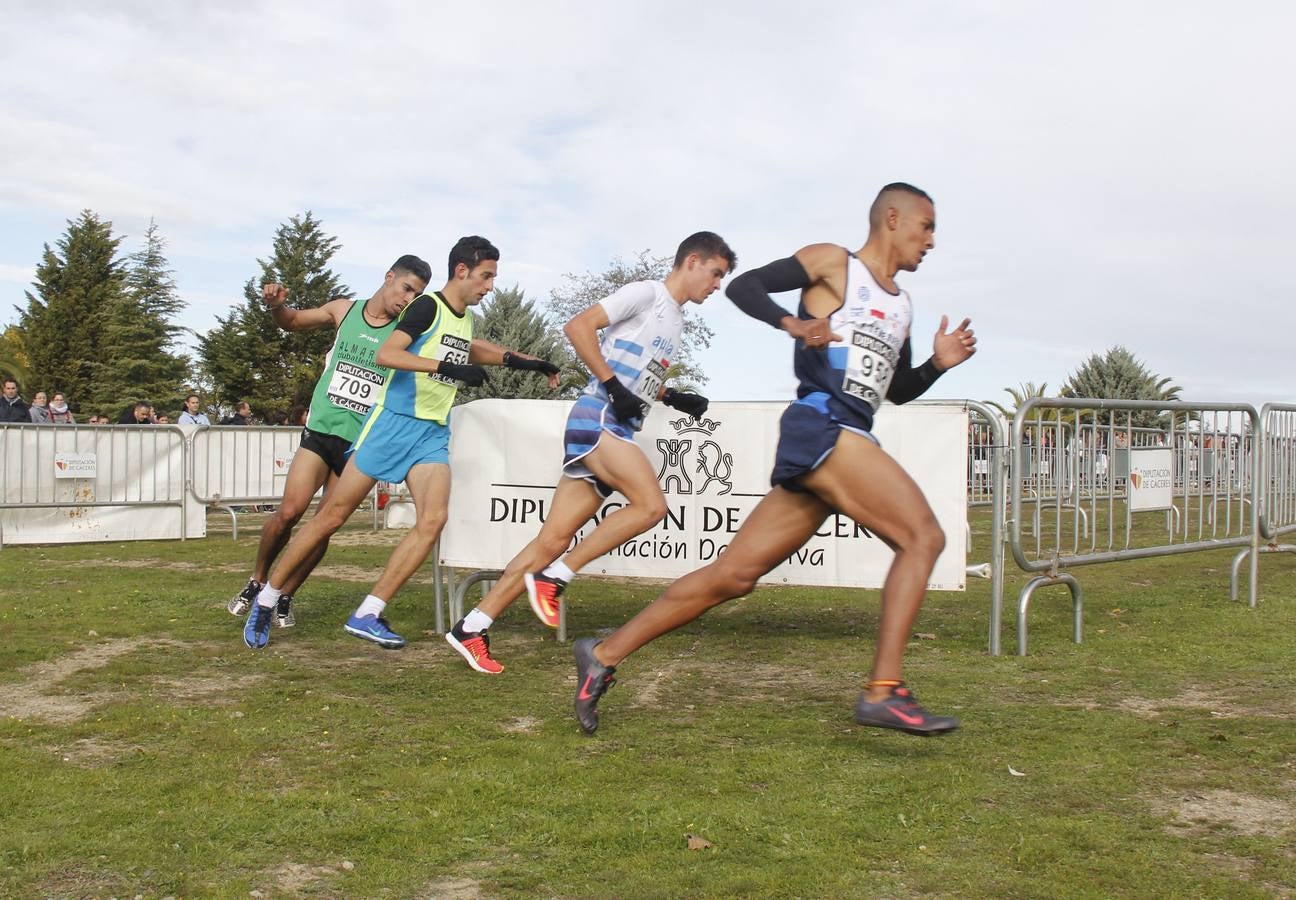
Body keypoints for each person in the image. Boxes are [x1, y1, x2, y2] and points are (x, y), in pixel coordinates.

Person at [569, 183, 977, 737]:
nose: (931, 240)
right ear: (892, 216)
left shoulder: (901, 305)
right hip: (822, 428)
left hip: (846, 434)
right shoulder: (835, 264)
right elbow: (746, 285)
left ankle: (604, 654)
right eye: (925, 226)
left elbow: (897, 389)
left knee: (733, 577)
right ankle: (884, 690)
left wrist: (938, 364)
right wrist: (793, 323)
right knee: (923, 538)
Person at [243, 236, 561, 650]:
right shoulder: (426, 306)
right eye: (486, 276)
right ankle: (266, 600)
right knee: (331, 518)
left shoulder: (463, 318)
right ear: (462, 271)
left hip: (431, 432)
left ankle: (368, 612)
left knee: (432, 521)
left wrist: (525, 361)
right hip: (391, 425)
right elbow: (387, 354)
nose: (490, 286)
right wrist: (447, 367)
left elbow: (471, 348)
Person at [445, 232, 735, 674]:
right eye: (715, 274)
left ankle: (472, 624)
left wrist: (673, 396)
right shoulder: (645, 294)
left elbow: (635, 374)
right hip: (598, 417)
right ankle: (555, 577)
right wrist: (615, 388)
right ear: (692, 261)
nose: (716, 286)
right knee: (651, 506)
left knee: (552, 539)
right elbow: (577, 327)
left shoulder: (675, 321)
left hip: (614, 421)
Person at [226, 255, 432, 626]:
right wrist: (276, 305)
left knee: (325, 524)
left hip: (361, 443)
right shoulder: (343, 310)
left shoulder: (407, 331)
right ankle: (257, 580)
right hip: (322, 430)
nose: (408, 299)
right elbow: (291, 322)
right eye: (406, 288)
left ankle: (286, 594)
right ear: (389, 277)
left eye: (417, 294)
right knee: (290, 512)